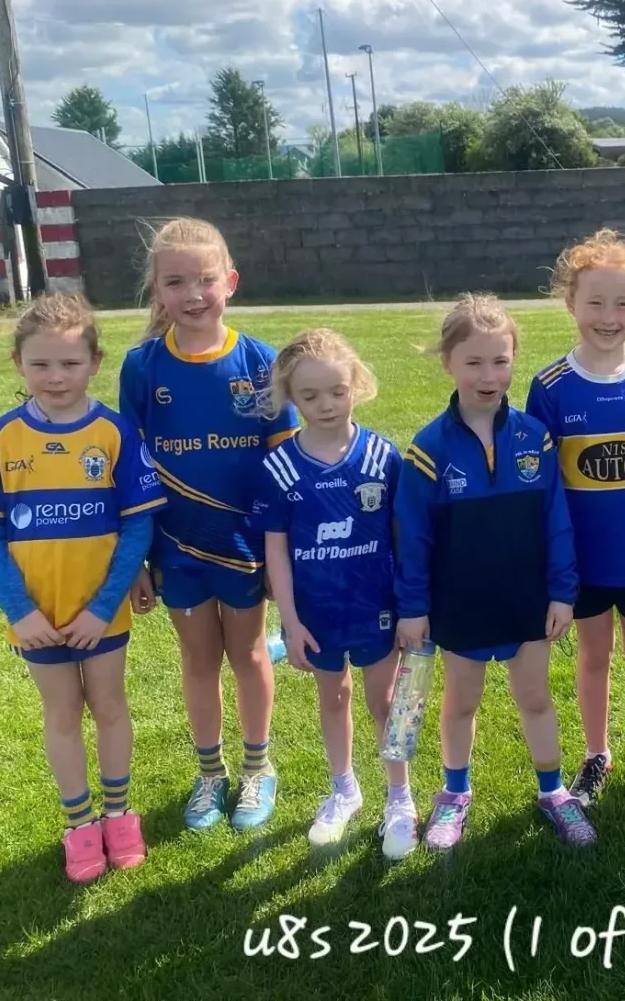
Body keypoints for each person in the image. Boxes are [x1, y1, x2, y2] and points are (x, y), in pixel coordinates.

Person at [0, 293, 165, 882]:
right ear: (18, 364)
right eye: (41, 364)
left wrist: (103, 606)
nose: (56, 376)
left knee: (109, 706)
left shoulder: (114, 432)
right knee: (63, 713)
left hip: (101, 613)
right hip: (38, 617)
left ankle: (119, 816)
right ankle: (79, 825)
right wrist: (19, 611)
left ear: (95, 363)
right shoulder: (2, 437)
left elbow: (137, 525)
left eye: (70, 363)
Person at [394, 293, 595, 849]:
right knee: (461, 702)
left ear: (514, 360)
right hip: (461, 602)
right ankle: (454, 795)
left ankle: (554, 792)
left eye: (500, 361)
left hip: (526, 598)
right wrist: (413, 607)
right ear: (448, 363)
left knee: (536, 698)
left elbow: (556, 520)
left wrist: (562, 593)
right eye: (474, 362)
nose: (489, 376)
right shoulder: (429, 449)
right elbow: (412, 538)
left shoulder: (535, 437)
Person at [119, 217, 300, 833]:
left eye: (205, 280)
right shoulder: (142, 367)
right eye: (176, 282)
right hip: (176, 548)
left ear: (231, 281)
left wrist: (282, 557)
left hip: (247, 546)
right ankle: (209, 773)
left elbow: (286, 468)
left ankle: (257, 767)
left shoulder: (262, 362)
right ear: (157, 290)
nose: (193, 294)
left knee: (248, 653)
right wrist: (138, 559)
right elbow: (130, 471)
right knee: (198, 660)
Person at [526, 229, 625, 814]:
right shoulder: (549, 387)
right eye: (595, 302)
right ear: (571, 303)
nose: (609, 317)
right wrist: (551, 562)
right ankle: (596, 754)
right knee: (593, 657)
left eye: (623, 303)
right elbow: (543, 488)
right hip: (583, 562)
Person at [252, 329, 417, 859]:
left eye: (337, 391)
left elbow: (402, 537)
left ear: (356, 385)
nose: (326, 404)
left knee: (387, 702)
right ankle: (344, 790)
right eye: (310, 395)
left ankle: (400, 798)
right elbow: (276, 551)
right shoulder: (279, 467)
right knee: (334, 696)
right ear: (290, 398)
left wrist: (412, 605)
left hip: (377, 607)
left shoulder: (382, 457)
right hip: (317, 612)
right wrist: (291, 620)